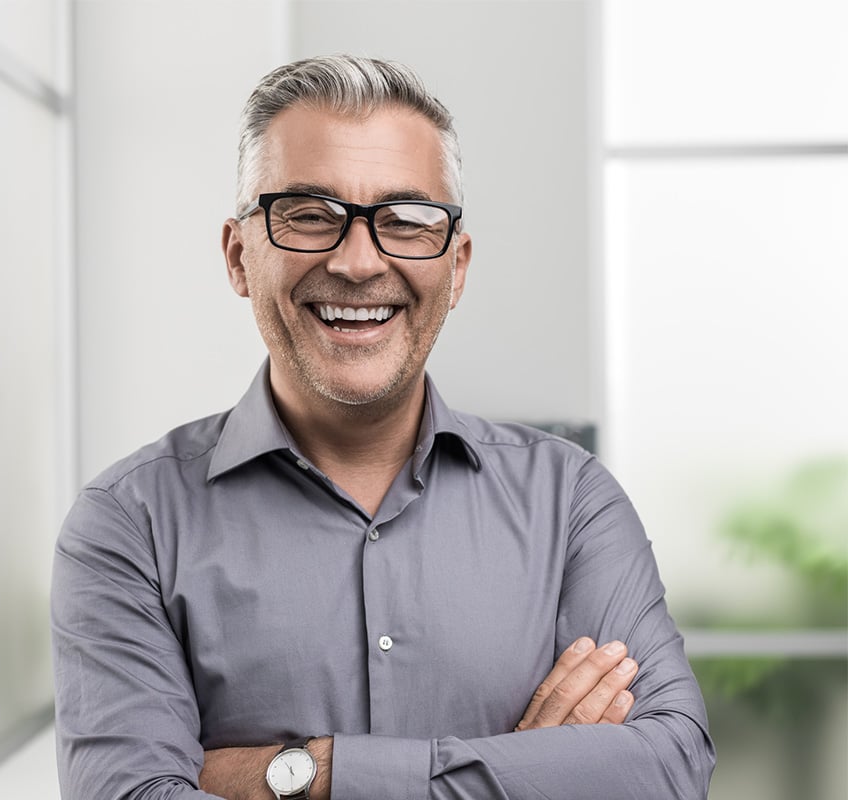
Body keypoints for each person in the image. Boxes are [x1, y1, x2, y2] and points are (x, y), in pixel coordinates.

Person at [51, 55, 715, 799]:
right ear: (240, 257)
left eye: (405, 221)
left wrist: (309, 774)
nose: (360, 261)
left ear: (456, 267)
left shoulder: (571, 502)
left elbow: (670, 771)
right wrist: (522, 773)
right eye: (308, 215)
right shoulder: (128, 524)